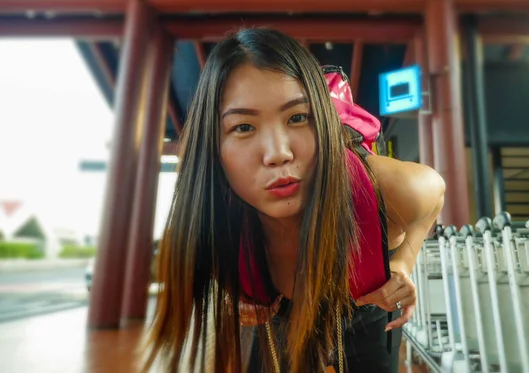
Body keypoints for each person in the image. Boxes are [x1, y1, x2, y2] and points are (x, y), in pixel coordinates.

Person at [141, 28, 445, 373]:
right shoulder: (207, 221)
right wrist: (233, 290)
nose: (278, 154)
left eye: (298, 118)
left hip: (365, 299)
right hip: (272, 310)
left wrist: (404, 262)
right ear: (212, 148)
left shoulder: (394, 189)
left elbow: (434, 193)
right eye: (243, 127)